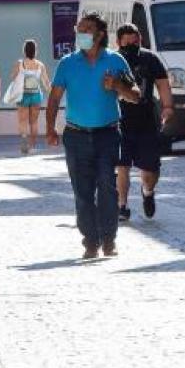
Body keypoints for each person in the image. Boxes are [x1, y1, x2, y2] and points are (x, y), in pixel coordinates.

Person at [46, 14, 140, 259]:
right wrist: (50, 128)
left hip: (107, 134)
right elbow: (54, 97)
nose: (81, 33)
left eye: (87, 29)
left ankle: (109, 239)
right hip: (76, 136)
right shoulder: (67, 63)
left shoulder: (115, 60)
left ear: (100, 34)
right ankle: (90, 241)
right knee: (82, 191)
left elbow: (135, 95)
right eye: (79, 29)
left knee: (107, 186)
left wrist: (117, 86)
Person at [114, 24, 174, 221]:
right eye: (127, 43)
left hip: (147, 120)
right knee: (122, 166)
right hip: (119, 121)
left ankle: (148, 191)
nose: (132, 46)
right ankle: (122, 205)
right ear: (118, 42)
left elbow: (162, 84)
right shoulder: (113, 60)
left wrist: (167, 106)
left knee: (150, 170)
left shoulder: (150, 59)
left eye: (135, 42)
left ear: (140, 40)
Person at [10, 40, 50, 155]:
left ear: (24, 51)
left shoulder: (19, 63)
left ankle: (24, 140)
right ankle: (32, 146)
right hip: (36, 95)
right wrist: (52, 94)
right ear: (35, 51)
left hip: (23, 95)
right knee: (34, 122)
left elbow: (13, 77)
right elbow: (46, 83)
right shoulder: (40, 65)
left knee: (22, 121)